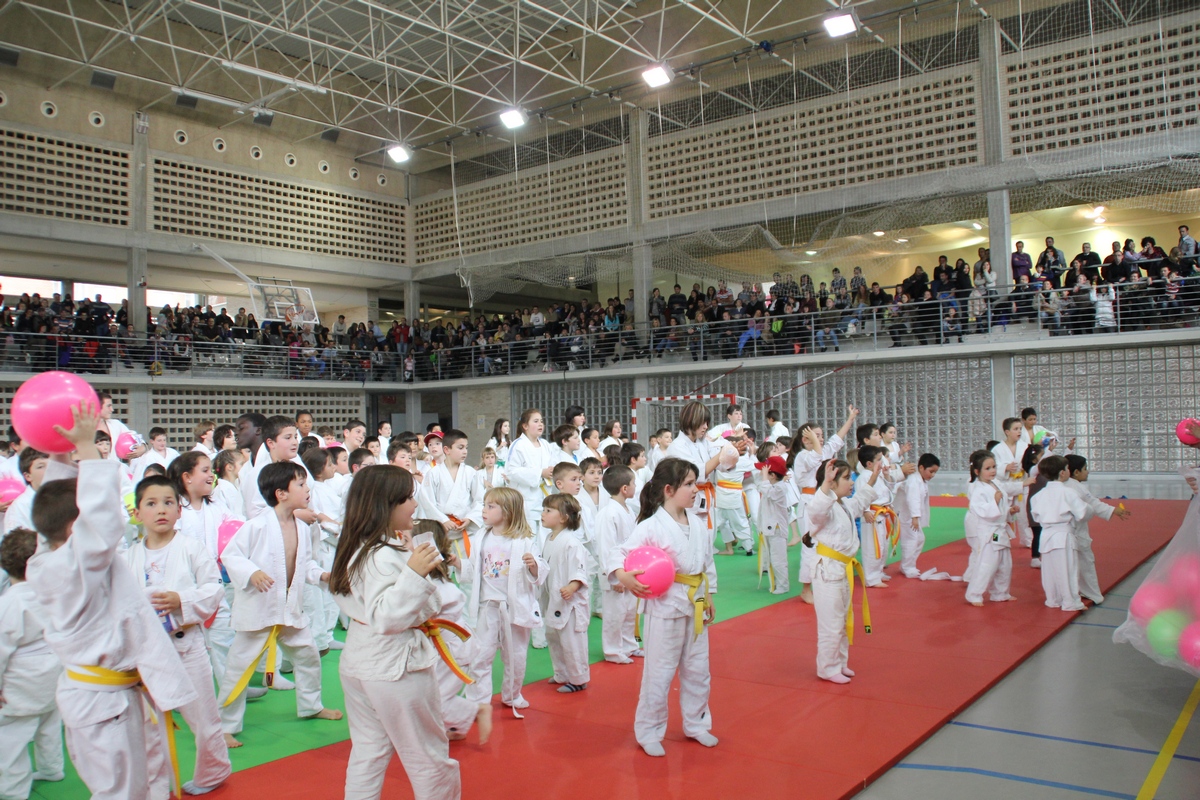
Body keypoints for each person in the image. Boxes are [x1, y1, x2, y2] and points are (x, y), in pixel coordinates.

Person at [28, 403, 198, 800]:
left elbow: (63, 509)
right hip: (102, 703)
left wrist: (60, 452)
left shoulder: (47, 555)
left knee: (140, 778)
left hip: (103, 697)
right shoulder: (72, 565)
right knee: (120, 792)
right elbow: (101, 524)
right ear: (76, 528)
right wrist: (87, 448)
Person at [328, 467, 464, 800]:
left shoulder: (359, 548)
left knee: (369, 752)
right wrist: (414, 573)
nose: (414, 504)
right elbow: (387, 617)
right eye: (406, 498)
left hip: (361, 661)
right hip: (396, 666)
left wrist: (406, 558)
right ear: (385, 505)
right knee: (428, 758)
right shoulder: (380, 556)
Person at [215, 461, 342, 746]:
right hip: (260, 609)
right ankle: (225, 725)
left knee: (308, 656)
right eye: (300, 484)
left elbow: (305, 563)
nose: (307, 489)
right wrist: (252, 572)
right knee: (240, 667)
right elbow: (231, 556)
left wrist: (322, 575)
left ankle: (311, 705)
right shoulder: (256, 525)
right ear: (281, 493)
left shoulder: (303, 526)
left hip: (289, 609)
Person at [125, 475, 232, 795]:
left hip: (187, 645)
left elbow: (214, 589)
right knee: (147, 726)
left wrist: (181, 602)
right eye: (151, 503)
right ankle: (156, 785)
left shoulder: (191, 548)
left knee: (203, 718)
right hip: (145, 653)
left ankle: (213, 771)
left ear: (179, 509)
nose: (161, 510)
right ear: (137, 512)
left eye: (169, 502)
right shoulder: (128, 556)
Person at [615, 458, 717, 758]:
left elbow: (706, 563)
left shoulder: (698, 523)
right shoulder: (650, 526)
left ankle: (697, 724)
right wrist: (623, 576)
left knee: (699, 670)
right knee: (658, 673)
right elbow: (620, 554)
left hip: (695, 602)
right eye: (689, 484)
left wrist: (709, 594)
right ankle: (649, 730)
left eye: (695, 482)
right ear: (669, 490)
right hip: (664, 606)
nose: (695, 489)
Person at [461, 487, 547, 715]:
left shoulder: (524, 541)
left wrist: (534, 565)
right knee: (481, 654)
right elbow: (472, 570)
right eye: (484, 505)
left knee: (516, 656)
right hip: (487, 606)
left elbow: (539, 574)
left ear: (507, 512)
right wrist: (456, 563)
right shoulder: (481, 536)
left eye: (491, 506)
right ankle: (478, 700)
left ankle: (512, 694)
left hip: (514, 607)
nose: (484, 510)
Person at [411, 519, 491, 745]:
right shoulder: (430, 579)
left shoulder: (438, 587)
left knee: (436, 698)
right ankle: (454, 725)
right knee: (433, 692)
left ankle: (477, 711)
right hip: (443, 647)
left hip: (452, 650)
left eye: (407, 540)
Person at [0, 529, 64, 800]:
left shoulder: (10, 603)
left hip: (22, 682)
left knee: (12, 739)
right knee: (49, 723)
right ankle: (52, 768)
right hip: (55, 671)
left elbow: (1, 650)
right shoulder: (53, 593)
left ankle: (13, 792)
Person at [808, 457, 880, 684]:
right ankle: (827, 668)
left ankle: (839, 663)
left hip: (842, 568)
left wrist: (875, 475)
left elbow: (861, 500)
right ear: (831, 481)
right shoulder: (823, 507)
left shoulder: (845, 505)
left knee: (841, 620)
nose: (851, 483)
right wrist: (826, 485)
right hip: (827, 571)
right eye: (847, 478)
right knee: (831, 623)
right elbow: (817, 511)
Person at [785, 406, 859, 604]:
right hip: (810, 502)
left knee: (825, 543)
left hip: (827, 500)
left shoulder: (822, 450)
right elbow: (818, 456)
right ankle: (806, 588)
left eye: (821, 435)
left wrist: (850, 418)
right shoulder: (803, 456)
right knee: (811, 545)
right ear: (805, 440)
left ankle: (823, 581)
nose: (821, 439)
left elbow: (837, 438)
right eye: (816, 436)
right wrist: (817, 443)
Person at [540, 493, 590, 693]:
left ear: (563, 517)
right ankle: (561, 673)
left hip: (569, 602)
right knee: (554, 637)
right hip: (554, 599)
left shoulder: (572, 543)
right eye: (543, 509)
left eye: (548, 510)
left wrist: (573, 585)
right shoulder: (549, 539)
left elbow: (580, 569)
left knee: (572, 642)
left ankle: (578, 679)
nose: (543, 513)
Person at [1065, 454, 1130, 604]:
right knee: (1085, 563)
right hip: (1075, 533)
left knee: (1066, 564)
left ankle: (1066, 594)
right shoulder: (1075, 488)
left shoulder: (1060, 486)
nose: (1087, 472)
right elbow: (1092, 504)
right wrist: (1113, 510)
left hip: (1059, 535)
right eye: (1085, 469)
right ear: (1075, 472)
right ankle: (1093, 594)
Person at [593, 465, 641, 663]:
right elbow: (606, 547)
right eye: (633, 483)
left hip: (629, 568)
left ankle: (629, 645)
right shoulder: (608, 513)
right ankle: (613, 650)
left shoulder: (628, 509)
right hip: (615, 571)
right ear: (624, 488)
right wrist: (615, 574)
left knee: (629, 611)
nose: (635, 486)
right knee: (615, 614)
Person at [1029, 455, 1090, 612]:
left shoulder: (1038, 496)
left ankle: (1053, 599)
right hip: (1063, 535)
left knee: (1050, 570)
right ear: (1063, 473)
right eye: (1067, 469)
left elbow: (1036, 516)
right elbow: (1082, 513)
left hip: (1046, 535)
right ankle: (1070, 601)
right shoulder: (1068, 493)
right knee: (1068, 569)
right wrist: (1090, 509)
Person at [963, 451, 1017, 606]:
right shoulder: (977, 488)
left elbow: (1001, 506)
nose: (992, 470)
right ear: (977, 471)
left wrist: (1008, 511)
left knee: (1005, 564)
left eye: (994, 467)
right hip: (990, 532)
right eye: (988, 468)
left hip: (1000, 529)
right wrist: (994, 502)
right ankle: (974, 594)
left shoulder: (996, 483)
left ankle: (1000, 593)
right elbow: (979, 509)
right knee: (988, 563)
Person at [505, 410, 555, 534]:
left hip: (545, 497)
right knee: (529, 537)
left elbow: (551, 466)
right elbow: (511, 471)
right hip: (526, 500)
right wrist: (540, 473)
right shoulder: (518, 445)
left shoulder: (545, 444)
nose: (540, 424)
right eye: (536, 421)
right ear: (525, 426)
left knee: (545, 536)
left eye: (541, 421)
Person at [892, 453, 939, 579]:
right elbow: (913, 499)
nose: (933, 475)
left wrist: (916, 517)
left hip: (910, 516)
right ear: (922, 468)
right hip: (905, 516)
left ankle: (907, 565)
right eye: (931, 471)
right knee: (911, 541)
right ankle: (908, 567)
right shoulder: (913, 480)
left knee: (919, 539)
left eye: (935, 472)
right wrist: (915, 517)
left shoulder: (921, 480)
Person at [855, 446, 895, 589]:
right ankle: (871, 578)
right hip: (872, 515)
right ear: (869, 464)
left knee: (883, 546)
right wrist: (865, 510)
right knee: (872, 547)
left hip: (882, 514)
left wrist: (887, 475)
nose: (882, 462)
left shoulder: (877, 474)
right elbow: (861, 494)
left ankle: (878, 572)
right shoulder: (864, 477)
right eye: (879, 460)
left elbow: (888, 490)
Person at [756, 455, 796, 594]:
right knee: (772, 559)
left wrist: (765, 478)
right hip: (770, 528)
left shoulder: (779, 488)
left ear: (772, 475)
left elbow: (768, 492)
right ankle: (777, 584)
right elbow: (762, 487)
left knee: (779, 560)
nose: (763, 474)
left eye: (766, 472)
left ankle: (783, 586)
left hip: (777, 530)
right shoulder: (774, 485)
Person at [2, 448, 48, 535]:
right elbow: (16, 545)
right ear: (27, 476)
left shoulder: (65, 496)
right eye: (41, 467)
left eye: (52, 465)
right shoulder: (20, 507)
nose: (49, 470)